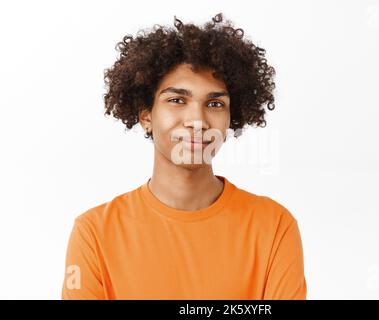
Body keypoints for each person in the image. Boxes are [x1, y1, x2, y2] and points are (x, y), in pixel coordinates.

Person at [61, 12, 307, 300]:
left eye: (215, 103)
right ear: (146, 116)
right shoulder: (93, 233)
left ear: (232, 116)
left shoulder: (274, 227)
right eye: (177, 100)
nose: (197, 120)